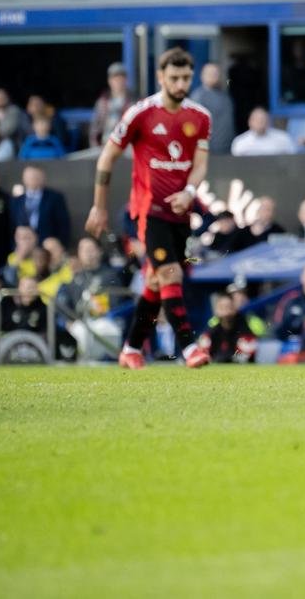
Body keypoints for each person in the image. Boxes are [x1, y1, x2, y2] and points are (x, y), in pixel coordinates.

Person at [86, 47, 213, 369]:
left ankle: (130, 348)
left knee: (157, 282)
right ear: (160, 77)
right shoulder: (139, 113)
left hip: (181, 213)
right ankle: (189, 348)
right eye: (174, 77)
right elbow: (107, 158)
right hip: (148, 211)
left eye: (186, 77)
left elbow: (199, 165)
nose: (180, 83)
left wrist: (189, 191)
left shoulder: (200, 117)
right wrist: (99, 207)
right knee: (171, 273)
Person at [11, 164, 71, 245]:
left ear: (43, 178)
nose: (33, 179)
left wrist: (60, 245)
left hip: (47, 248)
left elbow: (63, 224)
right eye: (30, 177)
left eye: (36, 177)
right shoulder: (16, 201)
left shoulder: (55, 198)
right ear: (24, 178)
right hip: (22, 248)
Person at [190, 62, 235, 154]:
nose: (214, 76)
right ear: (202, 76)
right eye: (210, 73)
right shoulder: (198, 97)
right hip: (210, 152)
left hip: (227, 149)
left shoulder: (225, 95)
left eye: (216, 73)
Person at [90, 62, 134, 147]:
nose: (118, 82)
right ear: (109, 81)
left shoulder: (134, 101)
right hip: (105, 145)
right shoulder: (102, 102)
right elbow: (94, 129)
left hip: (126, 146)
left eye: (120, 78)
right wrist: (95, 146)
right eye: (115, 79)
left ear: (126, 80)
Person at [230, 107, 297, 156]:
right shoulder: (240, 141)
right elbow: (237, 166)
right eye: (257, 120)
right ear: (250, 122)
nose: (261, 123)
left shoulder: (283, 138)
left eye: (263, 119)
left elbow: (293, 160)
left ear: (269, 121)